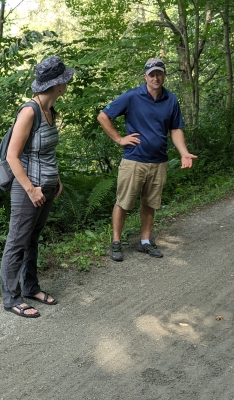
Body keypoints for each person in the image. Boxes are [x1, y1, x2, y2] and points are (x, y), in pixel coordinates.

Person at [97, 58, 197, 262]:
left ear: (164, 75)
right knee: (123, 202)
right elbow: (103, 116)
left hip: (159, 161)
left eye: (159, 73)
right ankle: (116, 241)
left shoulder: (171, 99)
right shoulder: (132, 96)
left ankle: (145, 241)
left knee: (150, 203)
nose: (156, 78)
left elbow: (175, 128)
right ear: (145, 77)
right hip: (134, 160)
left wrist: (184, 152)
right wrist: (119, 139)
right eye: (152, 74)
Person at [0, 56, 74, 318]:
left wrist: (56, 179)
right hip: (27, 189)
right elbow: (12, 155)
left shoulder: (50, 110)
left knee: (32, 239)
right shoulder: (29, 111)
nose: (67, 83)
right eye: (65, 80)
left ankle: (30, 287)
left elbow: (46, 153)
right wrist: (31, 189)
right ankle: (11, 297)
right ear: (58, 85)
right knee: (17, 241)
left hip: (47, 188)